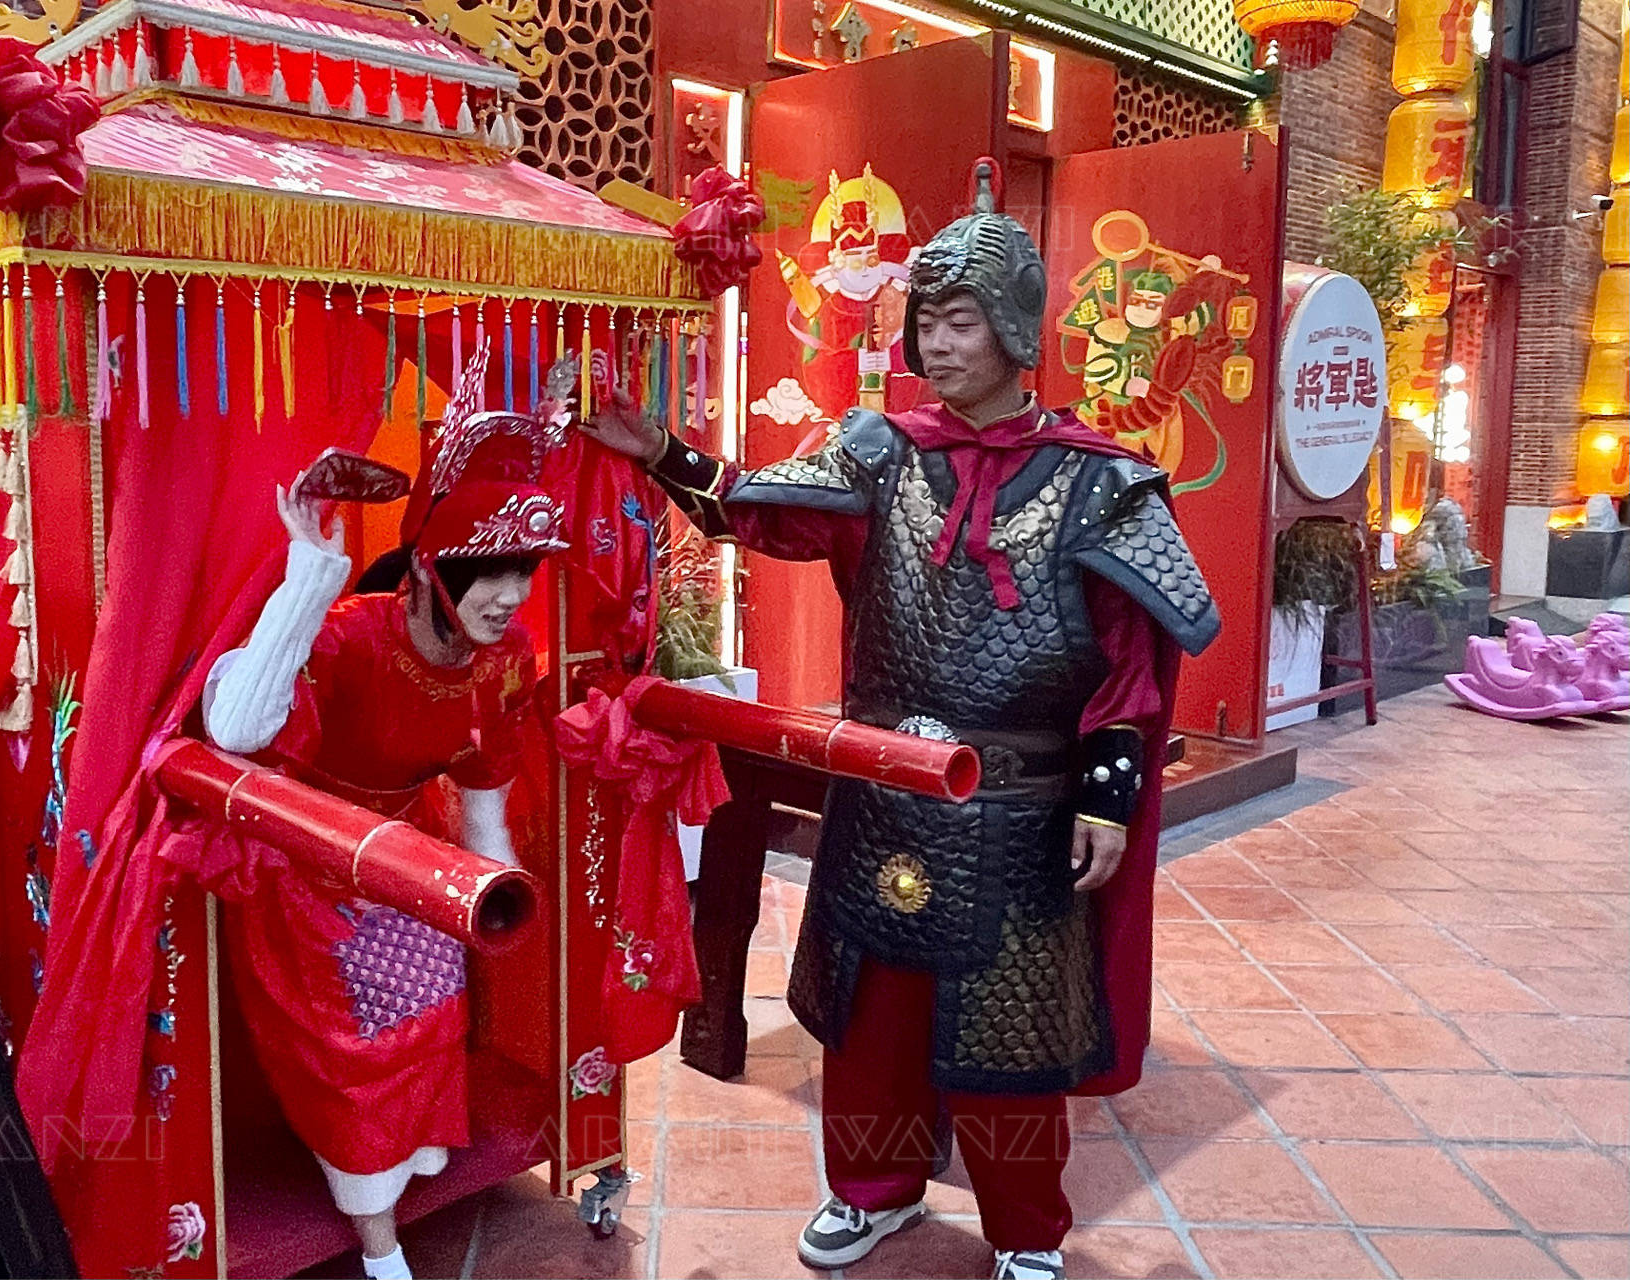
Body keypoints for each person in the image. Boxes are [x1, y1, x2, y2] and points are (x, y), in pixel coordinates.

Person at [580, 162, 1219, 1280]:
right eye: (925, 317)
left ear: (1016, 329)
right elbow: (760, 510)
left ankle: (1025, 1232)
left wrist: (1108, 796)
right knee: (871, 1020)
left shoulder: (1101, 485)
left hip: (1017, 806)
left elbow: (1130, 662)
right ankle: (870, 1193)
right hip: (883, 790)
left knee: (1005, 1038)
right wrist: (662, 455)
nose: (938, 339)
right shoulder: (881, 451)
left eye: (961, 317)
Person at [199, 413, 568, 1280]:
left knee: (435, 1016)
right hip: (308, 866)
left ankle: (407, 1165)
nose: (512, 592)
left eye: (525, 568)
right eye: (490, 569)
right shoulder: (354, 633)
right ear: (436, 568)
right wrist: (310, 578)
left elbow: (484, 811)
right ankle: (380, 1248)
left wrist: (500, 910)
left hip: (415, 857)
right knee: (357, 1051)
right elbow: (234, 727)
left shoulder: (506, 657)